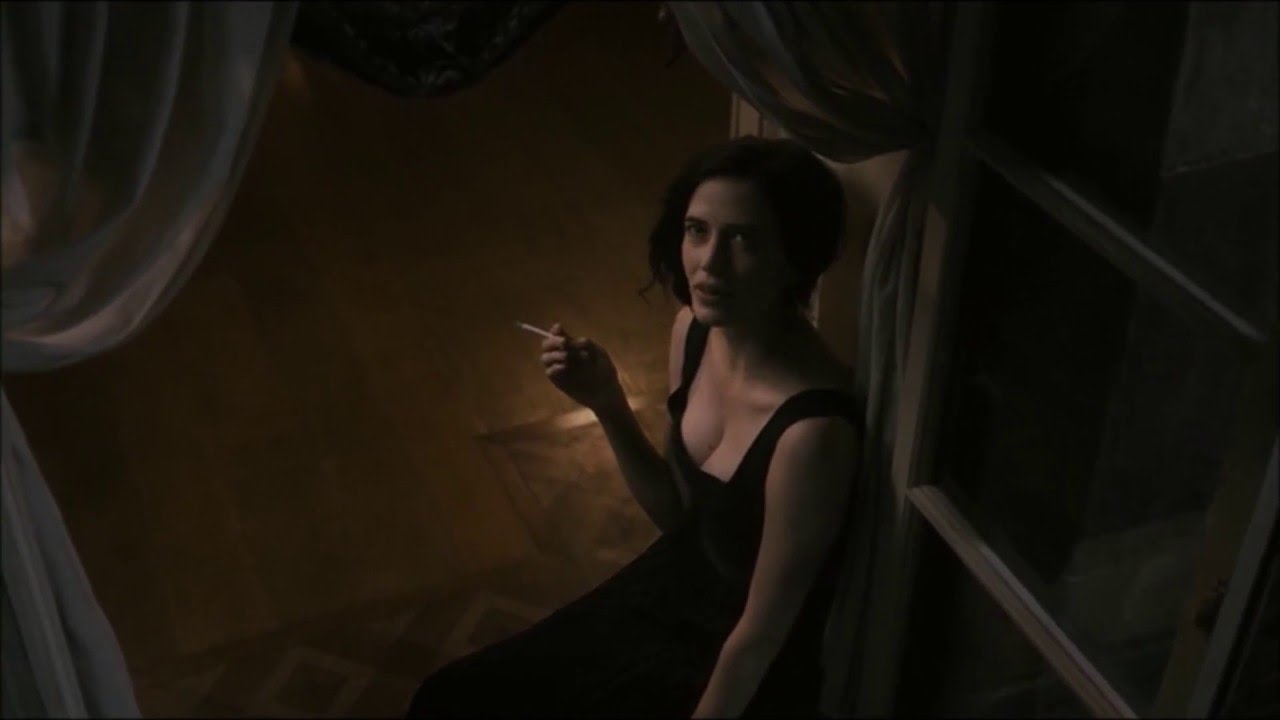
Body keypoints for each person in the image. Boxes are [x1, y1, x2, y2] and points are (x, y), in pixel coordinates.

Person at [407, 136, 863, 718]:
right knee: (449, 698)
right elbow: (678, 516)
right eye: (697, 231)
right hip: (667, 592)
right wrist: (607, 403)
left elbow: (761, 638)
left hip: (738, 664)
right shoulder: (692, 332)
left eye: (744, 239)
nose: (709, 264)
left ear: (795, 257)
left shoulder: (812, 432)